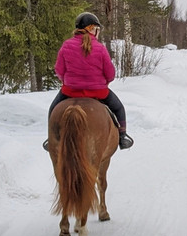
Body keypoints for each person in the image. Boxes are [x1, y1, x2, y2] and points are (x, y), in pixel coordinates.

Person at [44, 12, 133, 150]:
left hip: (70, 91)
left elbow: (59, 70)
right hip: (98, 92)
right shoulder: (100, 48)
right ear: (92, 29)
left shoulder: (66, 45)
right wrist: (103, 83)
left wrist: (67, 82)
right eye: (97, 30)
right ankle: (122, 137)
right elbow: (110, 73)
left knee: (53, 109)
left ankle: (51, 138)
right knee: (119, 108)